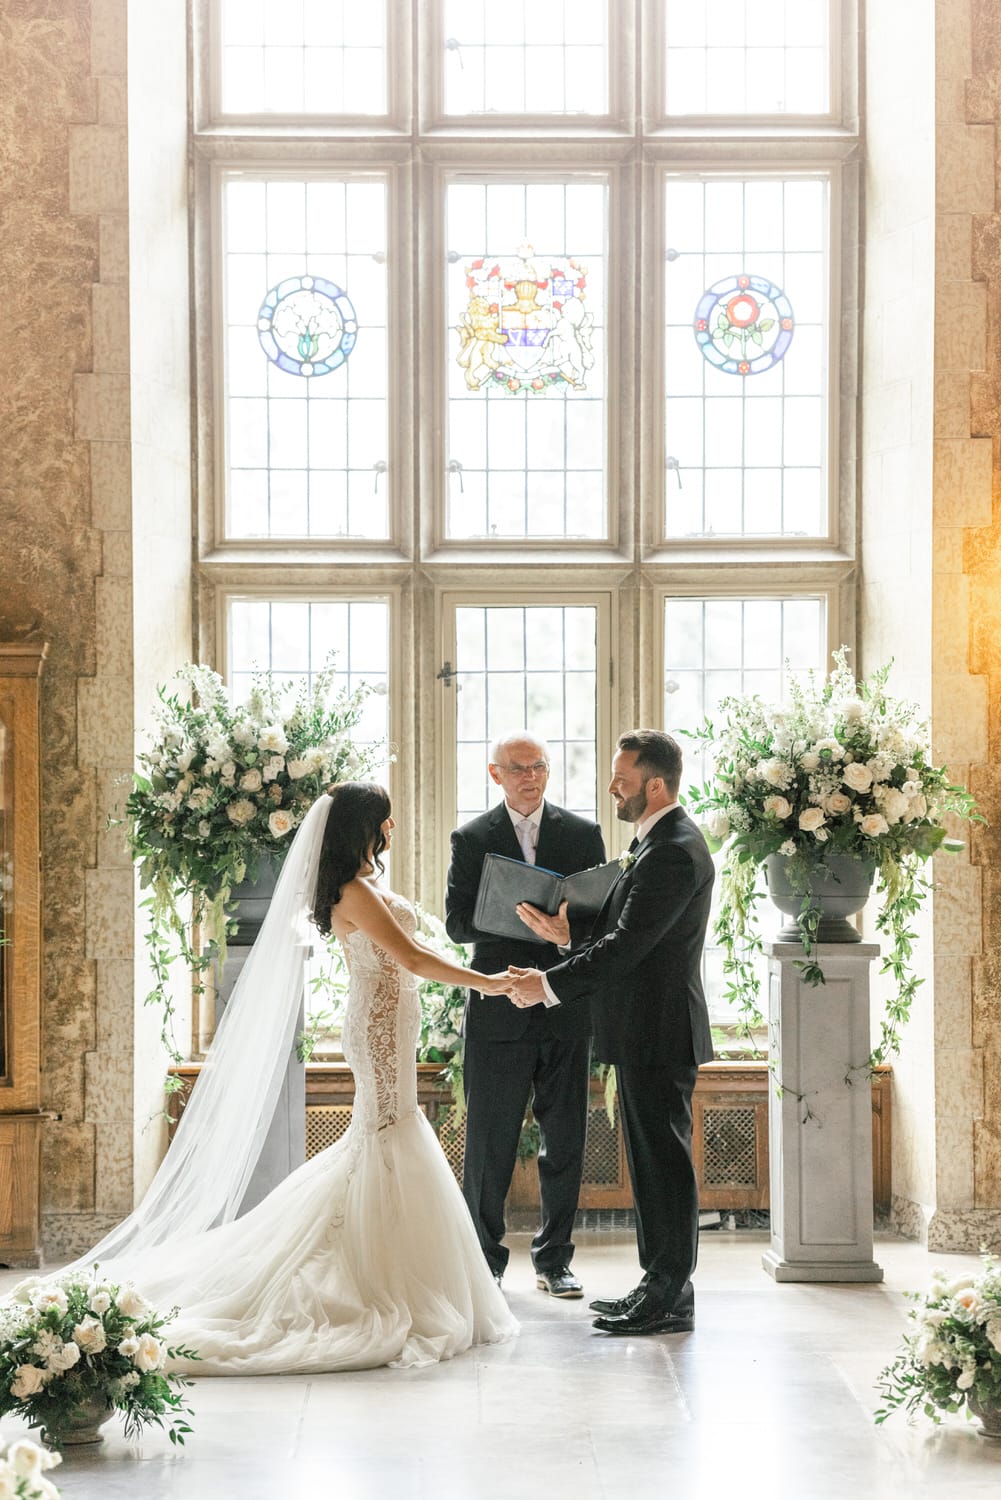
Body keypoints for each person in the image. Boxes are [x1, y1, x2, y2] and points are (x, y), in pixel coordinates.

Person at [72, 783, 518, 1373]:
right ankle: (378, 1277)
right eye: (386, 820)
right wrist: (491, 983)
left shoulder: (361, 884)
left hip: (390, 1021)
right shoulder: (354, 891)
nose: (393, 828)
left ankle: (398, 1266)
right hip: (380, 1027)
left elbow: (405, 958)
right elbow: (410, 958)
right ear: (368, 827)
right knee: (389, 1130)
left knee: (385, 1134)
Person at [508, 730, 714, 1336]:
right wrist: (566, 937)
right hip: (648, 1029)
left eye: (622, 779)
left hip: (660, 1029)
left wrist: (547, 984)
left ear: (655, 785)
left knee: (663, 1165)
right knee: (653, 1163)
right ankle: (663, 1286)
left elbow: (629, 945)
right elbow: (629, 932)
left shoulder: (674, 849)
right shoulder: (658, 844)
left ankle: (669, 1290)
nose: (612, 788)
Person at [445, 733, 606, 1297]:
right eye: (518, 768)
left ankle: (554, 1260)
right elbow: (456, 926)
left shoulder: (583, 834)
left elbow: (601, 920)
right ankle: (485, 1260)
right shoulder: (471, 838)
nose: (531, 776)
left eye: (539, 766)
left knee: (564, 1139)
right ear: (495, 775)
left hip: (565, 1004)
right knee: (489, 1138)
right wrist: (517, 917)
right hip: (499, 1003)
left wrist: (562, 932)